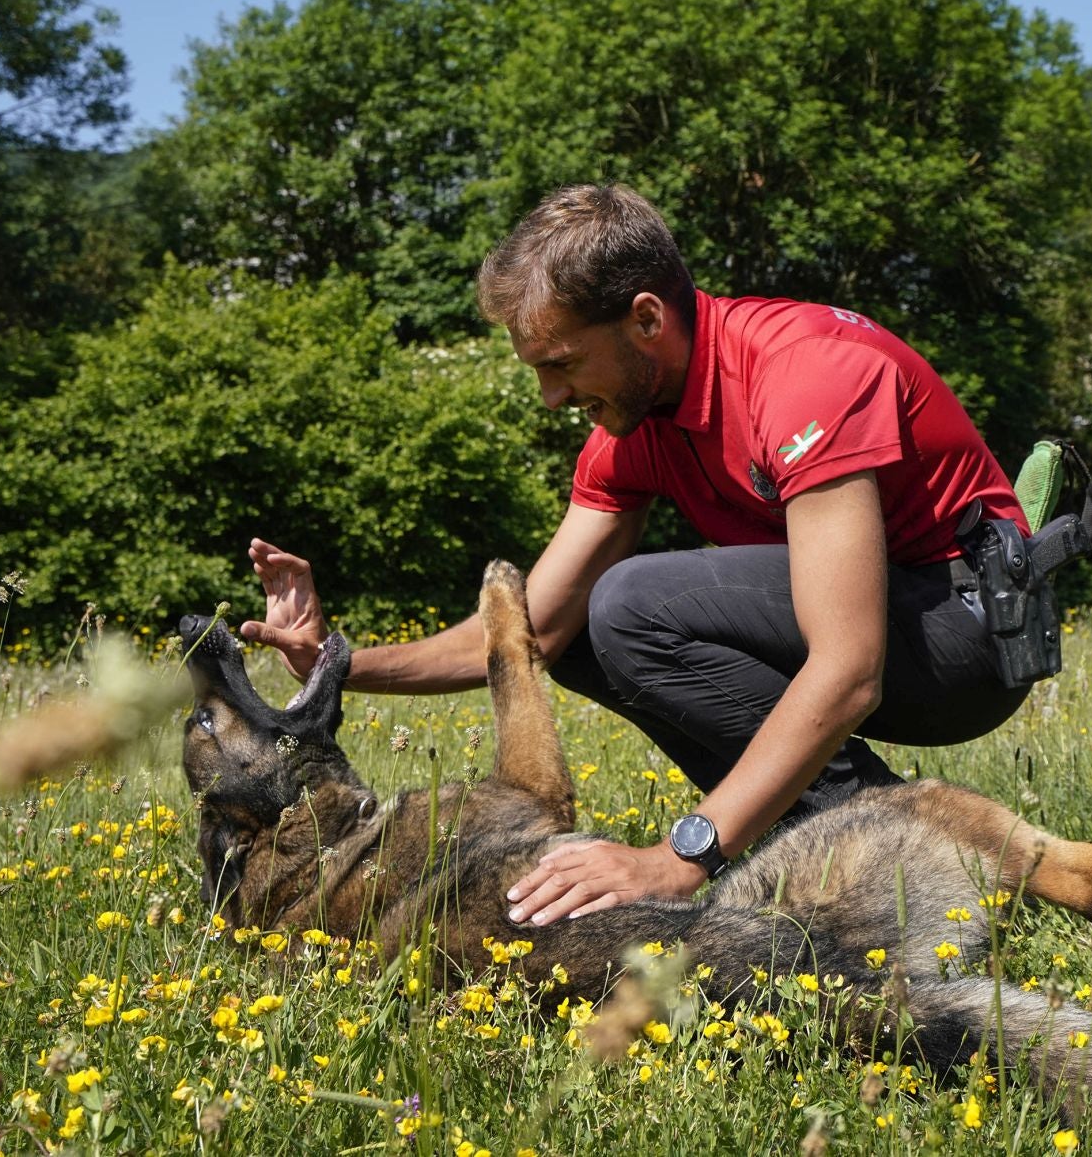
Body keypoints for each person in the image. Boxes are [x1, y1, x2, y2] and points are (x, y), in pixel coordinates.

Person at [240, 184, 1031, 927]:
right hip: (890, 635)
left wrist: (680, 855)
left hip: (962, 634)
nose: (552, 397)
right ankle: (889, 856)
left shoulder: (802, 375)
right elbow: (533, 631)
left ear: (646, 319)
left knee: (628, 605)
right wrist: (334, 662)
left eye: (562, 363)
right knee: (586, 626)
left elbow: (850, 667)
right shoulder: (633, 423)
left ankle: (903, 848)